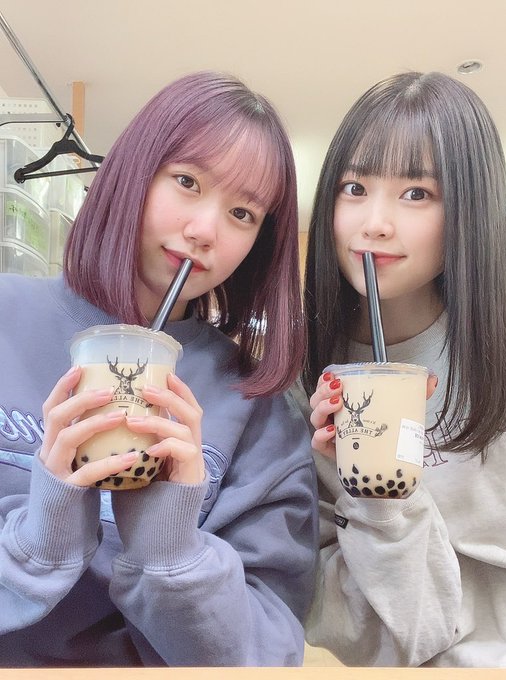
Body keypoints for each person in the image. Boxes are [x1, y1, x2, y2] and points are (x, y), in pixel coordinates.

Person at [0, 71, 318, 667]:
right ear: (133, 172)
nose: (204, 231)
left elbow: (271, 648)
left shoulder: (257, 405)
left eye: (243, 213)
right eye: (187, 181)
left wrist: (173, 552)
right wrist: (40, 537)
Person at [300, 71, 506, 667]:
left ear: (468, 209)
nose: (375, 222)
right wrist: (375, 496)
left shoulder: (497, 358)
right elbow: (340, 622)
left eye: (416, 193)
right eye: (354, 187)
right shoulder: (305, 380)